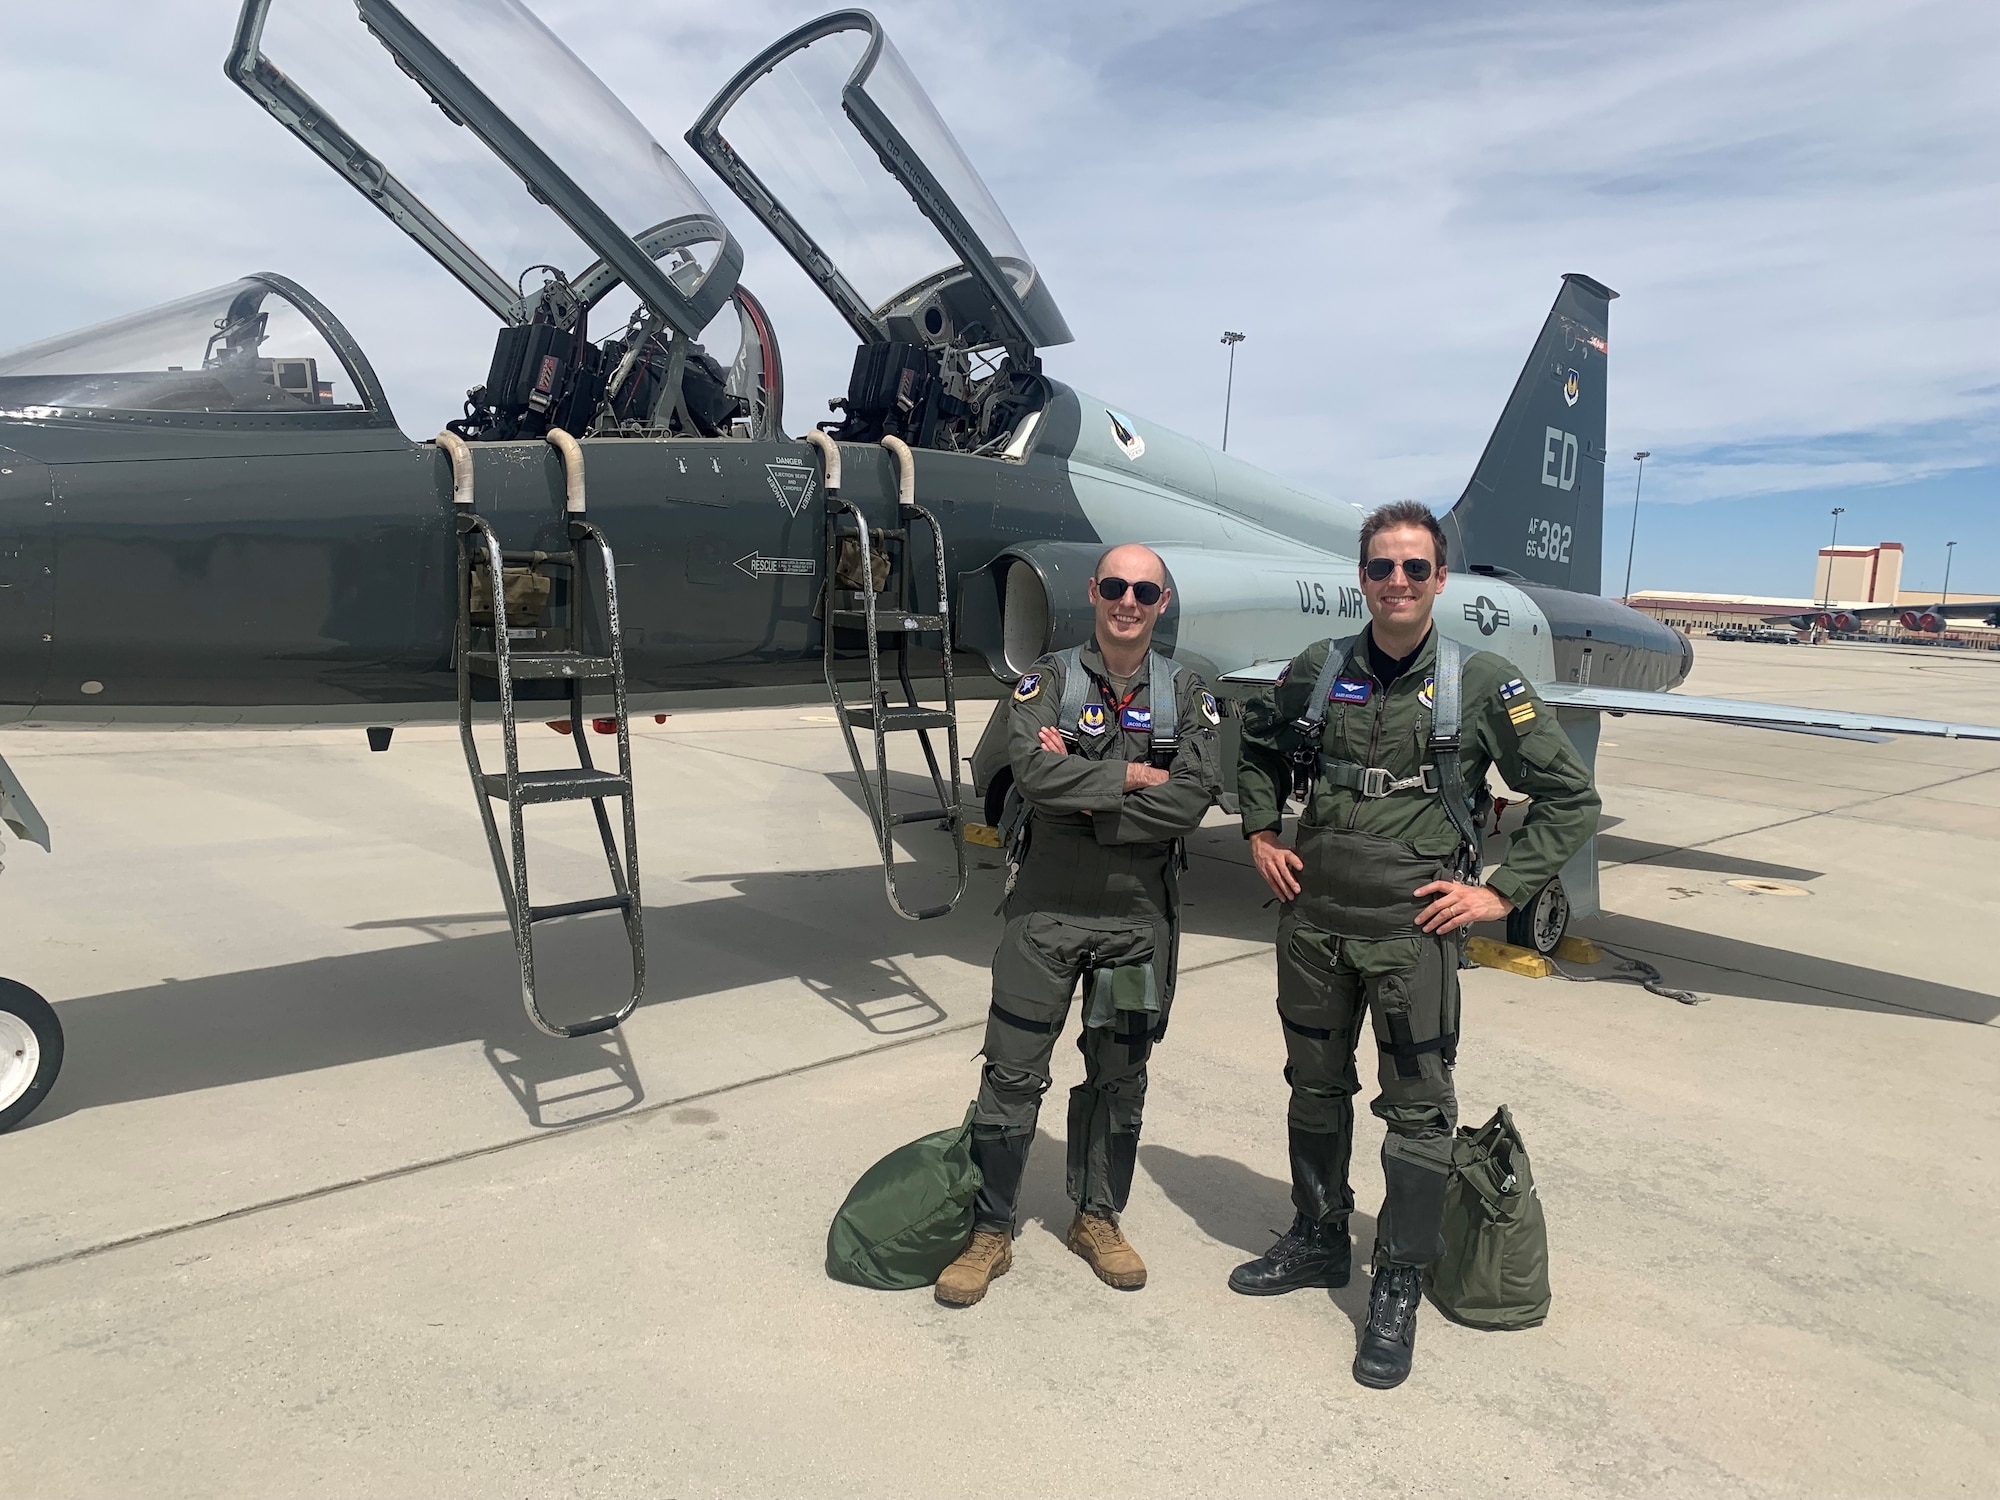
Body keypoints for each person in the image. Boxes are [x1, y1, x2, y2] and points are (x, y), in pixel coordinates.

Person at [1232, 500, 1599, 1387]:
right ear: (1362, 578)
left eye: (1415, 569)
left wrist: (1498, 892)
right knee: (1313, 1090)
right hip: (1316, 928)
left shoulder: (1481, 684)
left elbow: (1569, 798)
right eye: (1382, 568)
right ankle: (1320, 1235)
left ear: (1439, 580)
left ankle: (1396, 1278)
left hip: (1413, 937)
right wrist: (1259, 833)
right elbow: (1255, 748)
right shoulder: (1320, 670)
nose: (1397, 582)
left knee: (1419, 1117)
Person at [935, 543, 1224, 1308]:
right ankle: (990, 1230)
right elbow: (1030, 772)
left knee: (1119, 1080)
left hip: (1137, 920)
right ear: (1094, 593)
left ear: (1162, 602)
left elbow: (1193, 797)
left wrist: (1085, 791)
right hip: (1046, 911)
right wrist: (1132, 775)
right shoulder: (1049, 681)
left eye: (1145, 590)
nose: (1128, 601)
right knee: (1011, 1074)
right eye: (1115, 587)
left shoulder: (1188, 688)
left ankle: (1097, 1218)